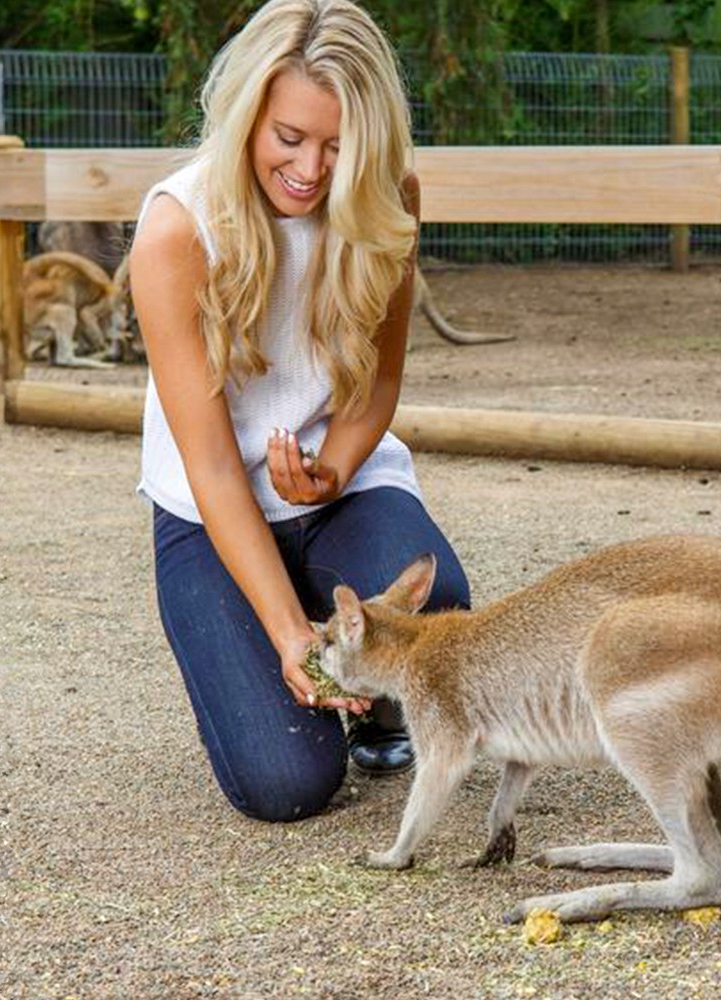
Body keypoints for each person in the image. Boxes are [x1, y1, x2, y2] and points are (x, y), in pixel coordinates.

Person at [129, 0, 470, 823]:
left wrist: (334, 471)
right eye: (289, 137)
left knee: (439, 605)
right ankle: (290, 652)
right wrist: (287, 634)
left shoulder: (391, 194)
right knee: (287, 785)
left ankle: (377, 704)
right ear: (247, 116)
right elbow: (212, 466)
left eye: (338, 146)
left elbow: (378, 385)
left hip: (339, 494)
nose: (312, 170)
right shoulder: (177, 229)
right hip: (210, 511)